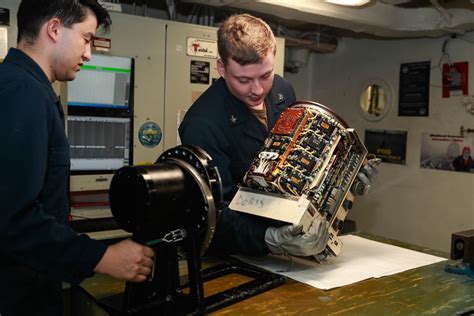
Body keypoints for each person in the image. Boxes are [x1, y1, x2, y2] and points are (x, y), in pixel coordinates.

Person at [179, 14, 377, 258]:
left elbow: (298, 169)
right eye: (244, 80)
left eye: (265, 75)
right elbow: (212, 214)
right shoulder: (203, 124)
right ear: (222, 68)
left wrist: (343, 181)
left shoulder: (282, 91)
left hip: (285, 245)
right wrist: (270, 238)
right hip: (233, 253)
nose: (258, 89)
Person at [0, 1, 154, 315]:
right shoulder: (21, 91)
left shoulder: (26, 87)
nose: (88, 54)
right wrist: (102, 257)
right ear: (54, 29)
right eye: (86, 39)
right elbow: (12, 219)